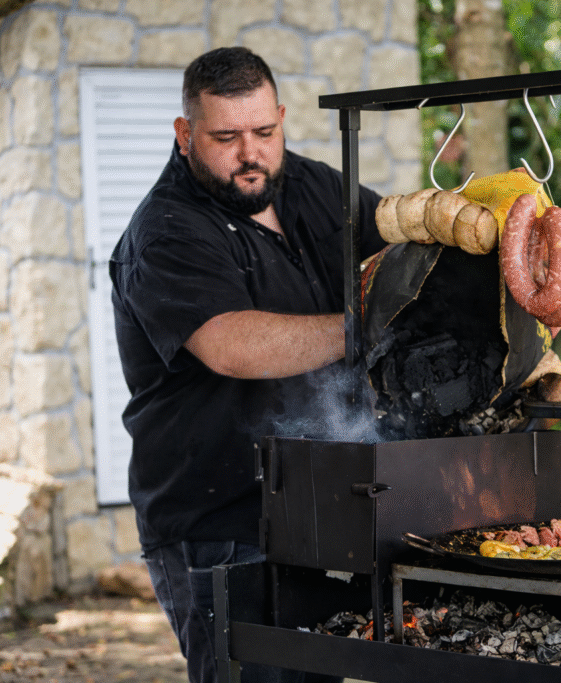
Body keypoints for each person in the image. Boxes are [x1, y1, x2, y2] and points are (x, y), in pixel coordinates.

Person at [109, 47, 386, 682]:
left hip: (318, 506)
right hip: (217, 523)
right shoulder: (164, 231)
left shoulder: (317, 186)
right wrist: (367, 329)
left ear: (282, 118)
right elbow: (232, 346)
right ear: (185, 135)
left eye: (264, 132)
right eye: (226, 137)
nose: (249, 154)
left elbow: (399, 252)